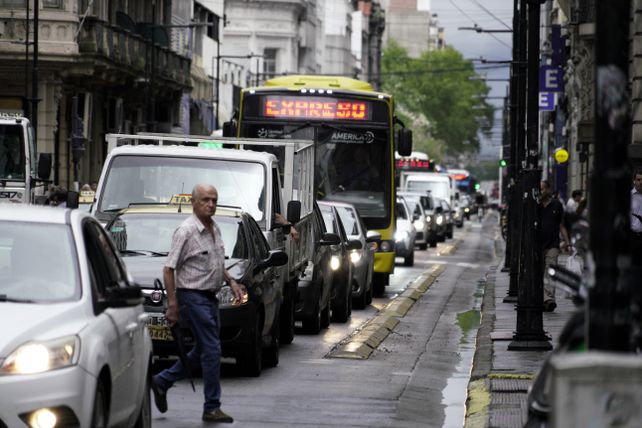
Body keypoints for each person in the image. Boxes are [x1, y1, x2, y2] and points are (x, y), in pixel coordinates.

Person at [151, 183, 244, 423]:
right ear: (194, 202)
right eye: (205, 200)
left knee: (203, 349)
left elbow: (216, 263)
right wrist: (172, 305)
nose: (211, 204)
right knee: (213, 350)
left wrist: (231, 282)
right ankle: (211, 406)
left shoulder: (215, 228)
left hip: (210, 297)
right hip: (191, 297)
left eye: (214, 200)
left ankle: (162, 381)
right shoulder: (186, 231)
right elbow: (169, 269)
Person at [539, 180, 571, 312]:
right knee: (539, 272)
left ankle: (549, 299)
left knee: (550, 270)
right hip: (537, 245)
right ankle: (541, 298)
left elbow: (561, 225)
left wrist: (567, 242)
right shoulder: (535, 205)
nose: (540, 192)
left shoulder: (557, 205)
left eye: (542, 189)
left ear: (548, 190)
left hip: (553, 244)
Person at [631, 170, 642, 263]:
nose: (641, 182)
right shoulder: (629, 196)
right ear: (634, 181)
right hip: (632, 237)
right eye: (638, 179)